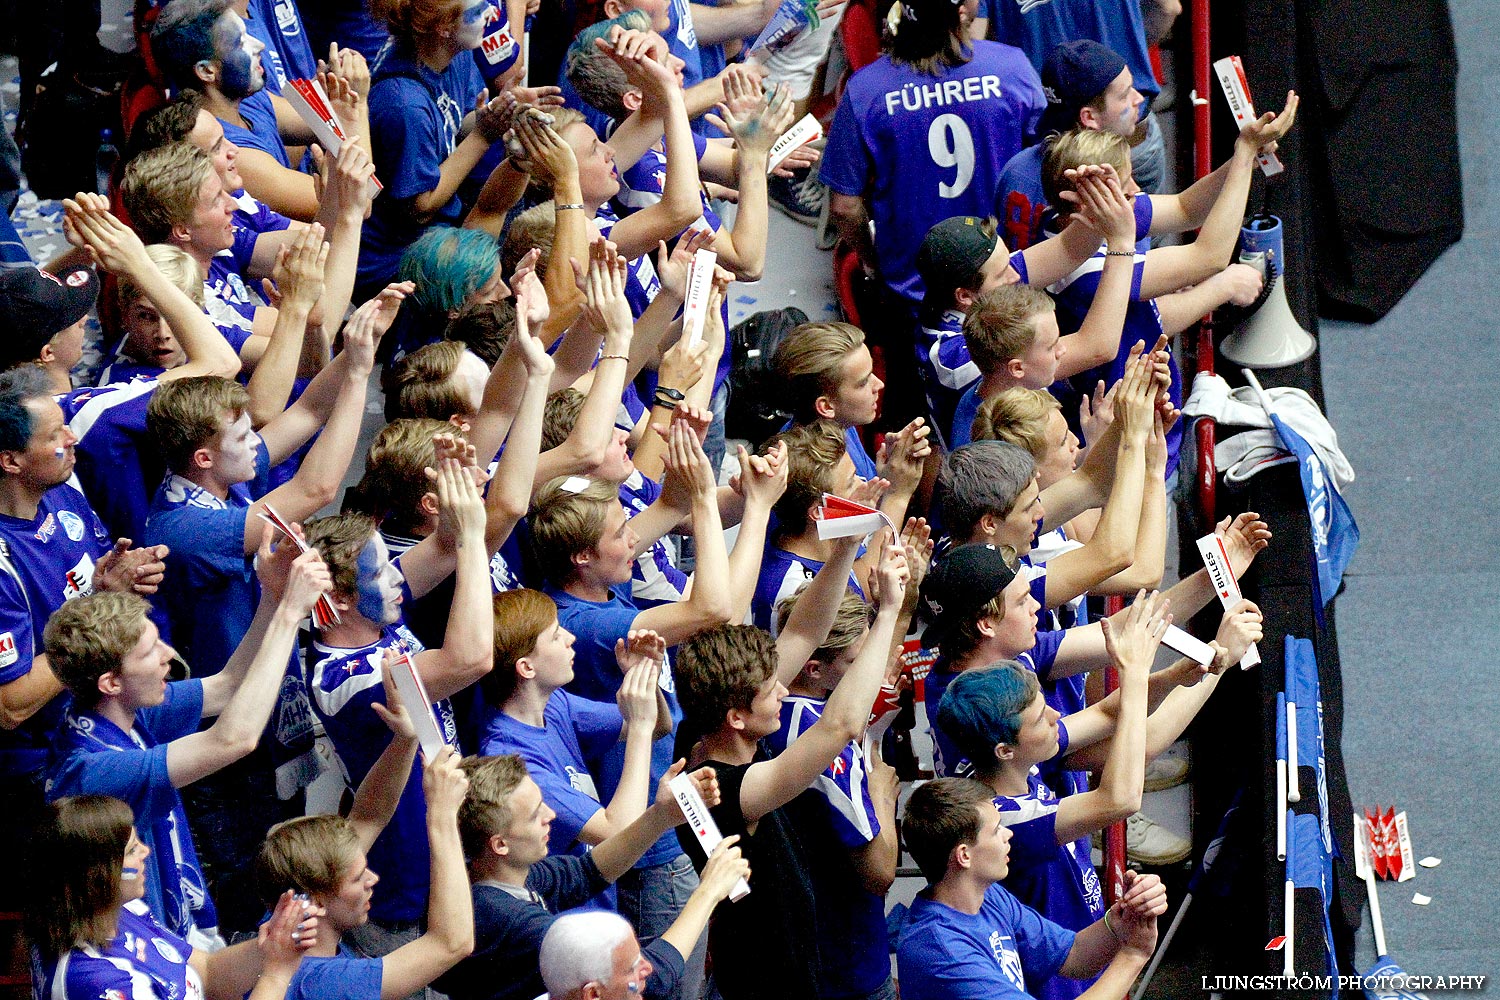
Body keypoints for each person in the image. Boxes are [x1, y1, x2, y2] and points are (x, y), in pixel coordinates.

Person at [43, 542, 331, 945]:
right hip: (138, 944)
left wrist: (271, 596)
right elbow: (235, 739)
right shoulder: (91, 770)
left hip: (175, 924)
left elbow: (228, 686)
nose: (169, 657)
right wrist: (290, 614)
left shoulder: (122, 710)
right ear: (111, 682)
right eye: (150, 652)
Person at [671, 544, 908, 1000]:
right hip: (765, 985)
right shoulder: (728, 790)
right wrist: (887, 616)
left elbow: (804, 628)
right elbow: (839, 726)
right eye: (769, 691)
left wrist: (841, 549)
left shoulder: (699, 730)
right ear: (737, 715)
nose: (783, 690)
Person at [302, 458, 494, 954]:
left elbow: (445, 545)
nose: (397, 580)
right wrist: (475, 539)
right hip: (404, 890)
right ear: (341, 597)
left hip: (444, 848)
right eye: (382, 570)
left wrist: (458, 501)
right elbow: (471, 659)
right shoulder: (351, 677)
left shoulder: (369, 616)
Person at [436, 752, 747, 1000]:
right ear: (499, 844)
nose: (551, 816)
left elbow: (588, 872)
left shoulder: (507, 877)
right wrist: (707, 894)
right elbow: (645, 979)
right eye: (534, 815)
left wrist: (660, 816)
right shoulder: (505, 917)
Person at [821, 0, 1046, 309]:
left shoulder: (865, 90)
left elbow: (844, 206)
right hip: (1007, 275)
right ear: (963, 11)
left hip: (914, 288)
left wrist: (872, 261)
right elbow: (1045, 161)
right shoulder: (1013, 67)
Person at [26, 794, 320, 1000]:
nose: (146, 852)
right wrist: (278, 973)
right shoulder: (95, 981)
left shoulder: (121, 912)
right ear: (95, 876)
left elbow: (207, 973)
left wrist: (271, 946)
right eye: (131, 850)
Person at [896, 776, 1167, 1000]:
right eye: (996, 829)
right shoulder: (940, 950)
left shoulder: (987, 896)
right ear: (964, 855)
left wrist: (1124, 917)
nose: (1009, 834)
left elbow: (1074, 954)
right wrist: (1133, 954)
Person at [254, 744, 478, 1000]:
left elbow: (369, 815)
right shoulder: (327, 982)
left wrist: (404, 739)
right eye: (358, 877)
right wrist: (442, 814)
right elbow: (452, 943)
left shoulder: (280, 922)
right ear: (316, 900)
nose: (373, 879)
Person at [969, 0, 1167, 195]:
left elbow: (971, 50)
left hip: (1050, 147)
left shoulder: (1017, 171)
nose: (1137, 97)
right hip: (1130, 137)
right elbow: (1169, 8)